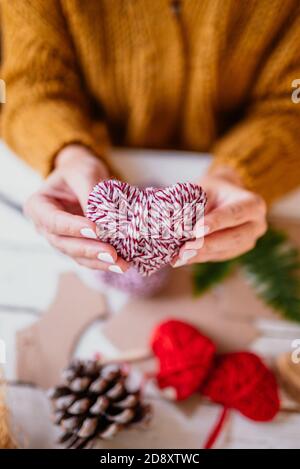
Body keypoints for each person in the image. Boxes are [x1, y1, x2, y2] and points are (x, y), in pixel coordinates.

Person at [1, 0, 300, 273]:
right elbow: (29, 85)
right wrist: (70, 154)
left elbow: (292, 102)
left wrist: (237, 174)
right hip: (98, 175)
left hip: (241, 199)